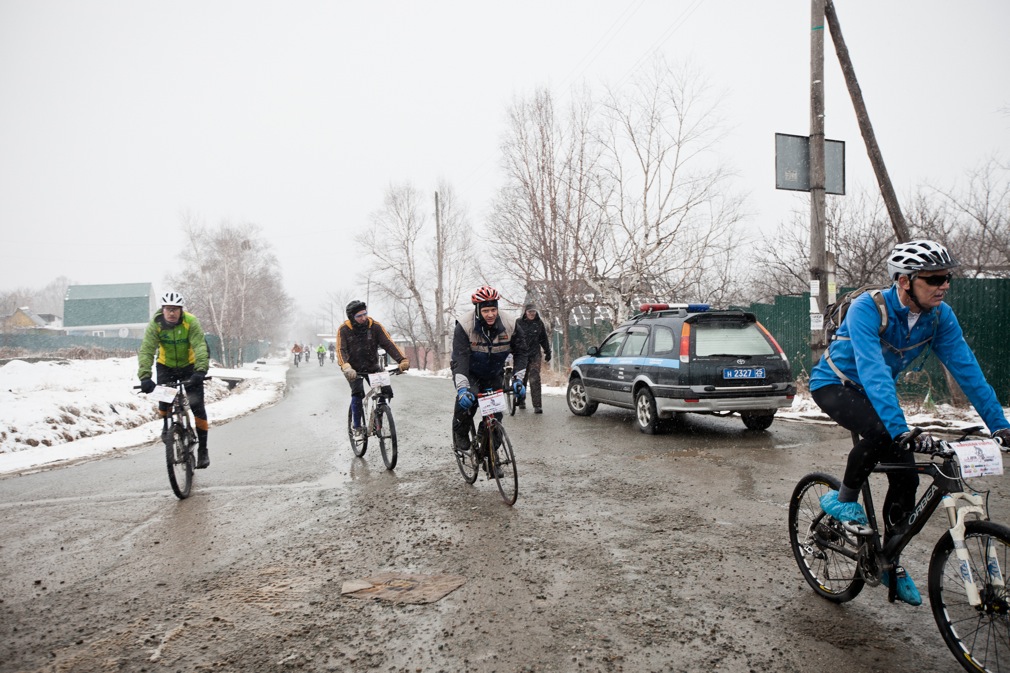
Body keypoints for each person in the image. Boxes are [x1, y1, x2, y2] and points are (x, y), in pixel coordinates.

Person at [809, 239, 1010, 606]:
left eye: (946, 277)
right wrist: (902, 429)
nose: (943, 285)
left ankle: (889, 560)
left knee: (908, 477)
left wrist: (999, 425)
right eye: (933, 279)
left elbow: (967, 370)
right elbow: (872, 370)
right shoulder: (868, 309)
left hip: (875, 394)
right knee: (886, 431)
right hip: (835, 385)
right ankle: (843, 501)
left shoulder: (939, 316)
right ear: (904, 281)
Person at [451, 286, 528, 476]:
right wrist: (462, 390)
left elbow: (521, 352)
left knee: (495, 418)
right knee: (468, 404)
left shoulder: (510, 324)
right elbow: (459, 359)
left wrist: (519, 380)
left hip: (494, 373)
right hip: (470, 372)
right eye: (485, 310)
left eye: (493, 309)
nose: (490, 314)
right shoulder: (464, 325)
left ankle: (491, 457)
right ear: (478, 310)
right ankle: (460, 434)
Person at [137, 290, 212, 469]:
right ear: (163, 309)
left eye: (175, 309)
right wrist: (145, 377)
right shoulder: (155, 325)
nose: (171, 313)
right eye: (168, 309)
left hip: (189, 366)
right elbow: (147, 350)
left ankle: (203, 449)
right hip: (166, 366)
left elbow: (200, 346)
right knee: (164, 400)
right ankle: (166, 425)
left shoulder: (191, 322)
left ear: (181, 310)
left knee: (197, 407)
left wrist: (200, 371)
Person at [336, 300, 409, 436]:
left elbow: (388, 344)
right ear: (352, 317)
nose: (363, 318)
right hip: (353, 370)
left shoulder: (375, 326)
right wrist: (346, 366)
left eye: (365, 314)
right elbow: (341, 350)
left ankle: (378, 421)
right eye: (359, 316)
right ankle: (357, 426)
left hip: (372, 366)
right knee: (358, 393)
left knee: (386, 391)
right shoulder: (344, 330)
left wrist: (402, 360)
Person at [517, 302, 552, 413]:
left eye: (533, 311)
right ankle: (521, 400)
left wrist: (547, 351)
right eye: (529, 311)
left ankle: (537, 405)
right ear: (525, 312)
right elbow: (513, 337)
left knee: (534, 378)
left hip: (534, 354)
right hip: (522, 354)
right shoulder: (518, 323)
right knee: (522, 378)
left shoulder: (539, 323)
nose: (532, 313)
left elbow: (543, 339)